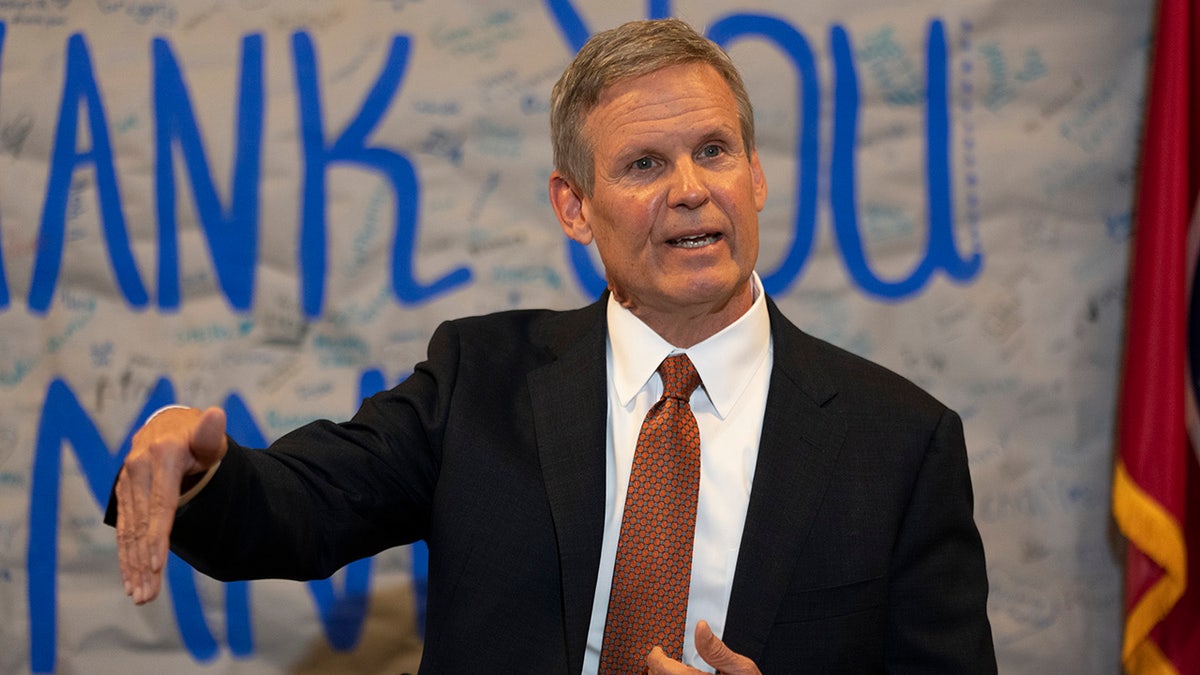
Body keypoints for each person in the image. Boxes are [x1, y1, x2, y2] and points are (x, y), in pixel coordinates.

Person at [109, 17, 996, 674]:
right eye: (645, 164)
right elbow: (296, 510)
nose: (690, 190)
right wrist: (196, 463)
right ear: (574, 207)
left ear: (756, 176)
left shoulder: (899, 441)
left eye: (714, 151)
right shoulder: (480, 382)